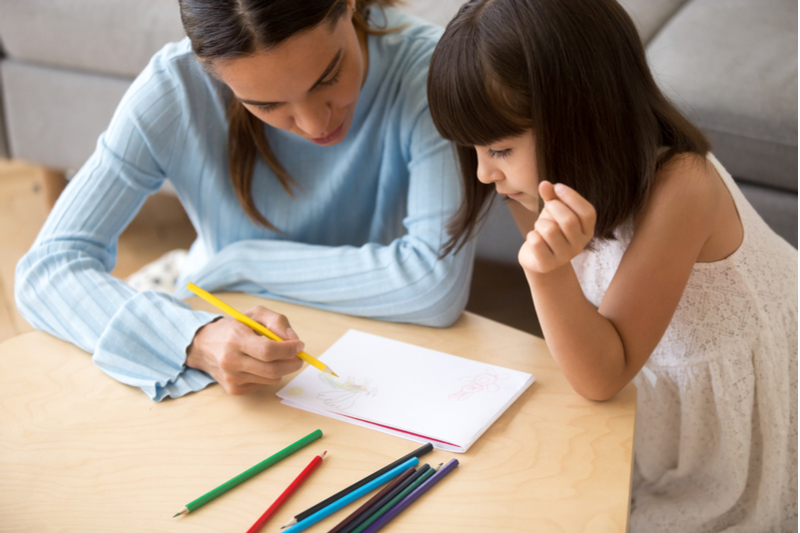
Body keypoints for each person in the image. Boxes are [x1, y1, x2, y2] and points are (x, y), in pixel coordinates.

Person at [426, 0, 797, 531]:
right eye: (475, 149)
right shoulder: (529, 186)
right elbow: (587, 336)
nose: (484, 172)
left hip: (748, 402)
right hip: (659, 390)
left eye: (500, 148)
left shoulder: (683, 187)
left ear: (579, 117)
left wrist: (545, 272)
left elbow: (603, 373)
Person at [15, 0, 474, 401]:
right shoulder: (174, 90)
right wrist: (192, 337)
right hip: (229, 327)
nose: (315, 125)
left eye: (327, 77)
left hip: (367, 331)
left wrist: (241, 261)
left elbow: (434, 284)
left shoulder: (429, 70)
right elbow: (46, 270)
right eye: (267, 105)